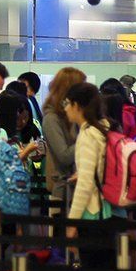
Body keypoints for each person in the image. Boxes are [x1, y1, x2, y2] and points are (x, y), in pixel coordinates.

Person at [63, 81, 120, 271]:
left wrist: (71, 223)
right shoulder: (104, 128)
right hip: (107, 216)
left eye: (67, 104)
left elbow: (85, 184)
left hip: (92, 220)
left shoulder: (87, 134)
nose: (65, 109)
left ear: (77, 106)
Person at [41, 67, 86, 198]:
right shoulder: (52, 119)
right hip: (63, 191)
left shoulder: (73, 118)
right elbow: (64, 156)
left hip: (78, 189)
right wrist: (87, 137)